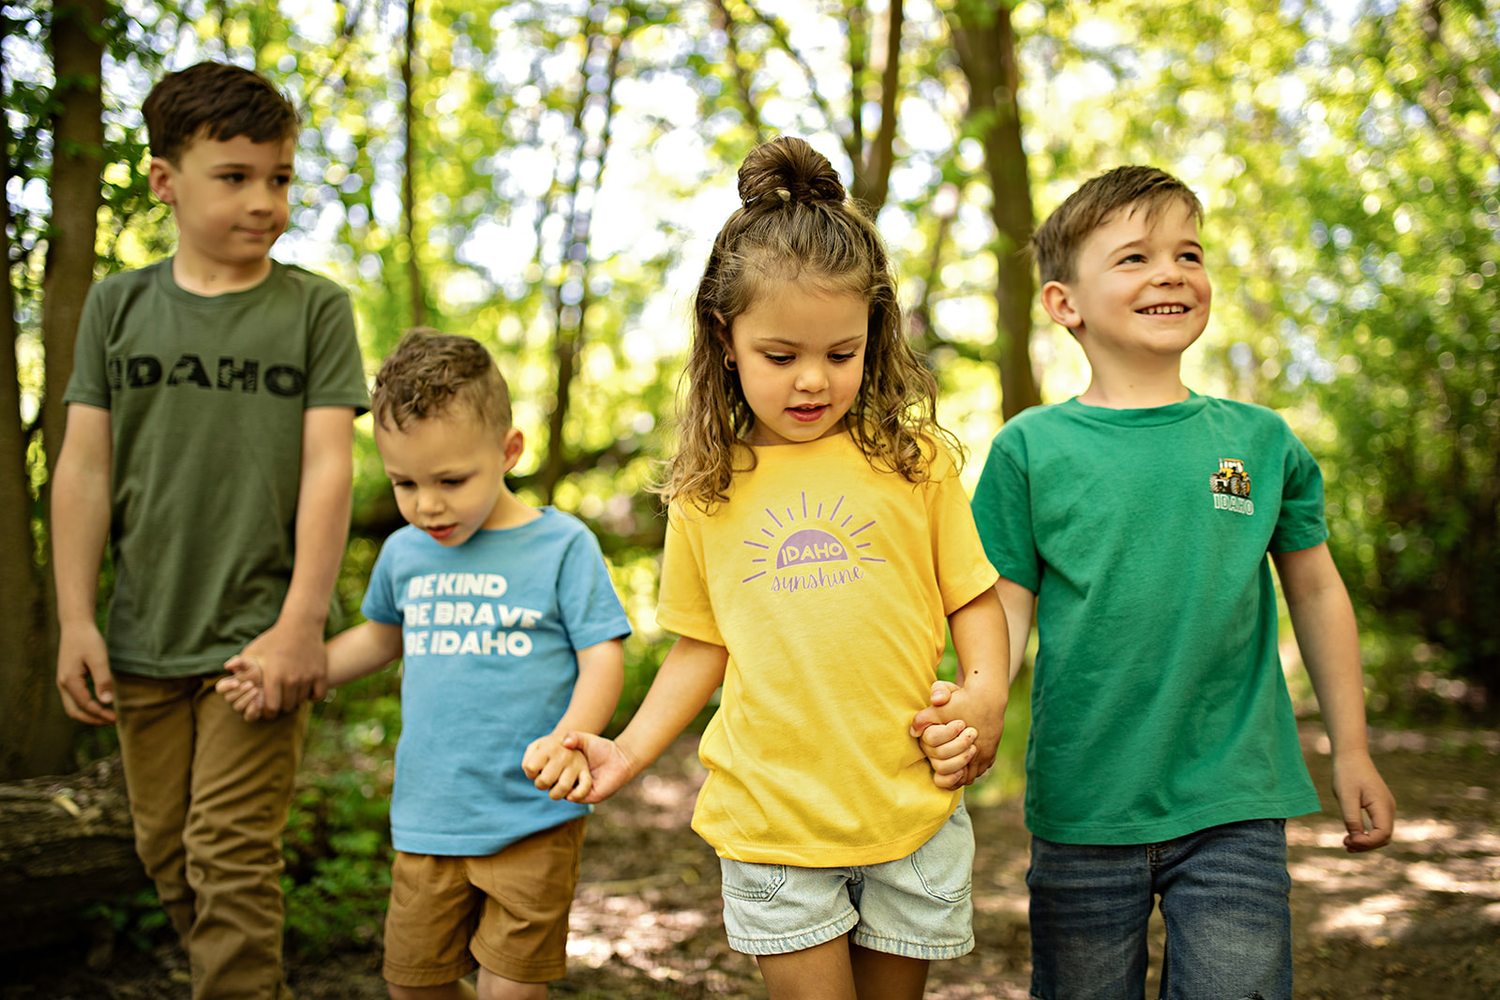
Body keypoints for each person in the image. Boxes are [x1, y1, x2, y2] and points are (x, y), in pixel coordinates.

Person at [539, 136, 1009, 1000]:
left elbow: (974, 598)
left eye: (841, 352)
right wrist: (628, 752)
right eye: (780, 356)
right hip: (771, 821)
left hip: (908, 807)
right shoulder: (707, 488)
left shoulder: (913, 462)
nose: (812, 381)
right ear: (726, 339)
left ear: (875, 332)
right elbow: (698, 647)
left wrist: (983, 697)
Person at [960, 164, 1396, 999]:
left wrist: (1353, 750)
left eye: (1188, 254)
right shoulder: (1029, 450)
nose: (1171, 273)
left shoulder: (1261, 443)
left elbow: (1316, 593)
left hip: (1234, 800)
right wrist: (978, 705)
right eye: (1133, 258)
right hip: (1085, 804)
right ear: (1064, 304)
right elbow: (1003, 609)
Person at [50, 61, 367, 999]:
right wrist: (77, 619)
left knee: (229, 857)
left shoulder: (313, 309)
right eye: (235, 177)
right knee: (169, 852)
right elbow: (83, 466)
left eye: (278, 177)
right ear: (165, 181)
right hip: (144, 637)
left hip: (259, 641)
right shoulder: (119, 305)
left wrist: (303, 620)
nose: (265, 201)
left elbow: (327, 467)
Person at [219, 331, 630, 1000]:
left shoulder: (560, 545)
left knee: (512, 989)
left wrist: (571, 737)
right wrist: (291, 672)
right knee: (414, 984)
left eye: (450, 481)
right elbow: (379, 641)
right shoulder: (407, 554)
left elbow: (601, 654)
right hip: (428, 818)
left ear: (509, 452)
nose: (425, 504)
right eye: (404, 483)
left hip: (531, 816)